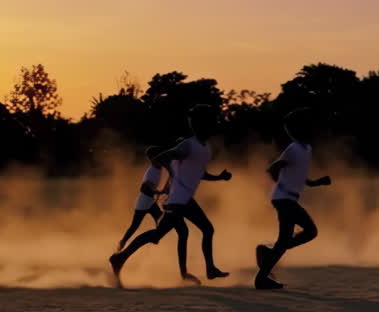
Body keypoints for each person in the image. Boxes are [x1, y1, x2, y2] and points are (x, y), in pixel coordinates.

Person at [109, 105, 232, 284]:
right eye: (207, 122)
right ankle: (208, 269)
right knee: (201, 230)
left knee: (162, 234)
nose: (212, 125)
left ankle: (120, 258)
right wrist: (171, 173)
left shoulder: (205, 147)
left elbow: (200, 173)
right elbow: (161, 157)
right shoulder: (188, 145)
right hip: (178, 201)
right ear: (199, 124)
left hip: (184, 199)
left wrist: (219, 177)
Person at [255, 109, 333, 290]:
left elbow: (299, 175)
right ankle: (262, 276)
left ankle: (267, 253)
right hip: (284, 200)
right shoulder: (294, 148)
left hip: (288, 199)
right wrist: (282, 188)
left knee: (302, 234)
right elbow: (272, 169)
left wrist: (316, 183)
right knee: (306, 232)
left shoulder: (306, 149)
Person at [117, 146, 172, 251]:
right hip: (143, 203)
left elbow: (163, 185)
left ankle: (155, 240)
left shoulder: (160, 169)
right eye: (157, 157)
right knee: (135, 225)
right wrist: (159, 192)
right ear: (152, 158)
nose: (160, 159)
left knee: (161, 221)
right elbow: (144, 189)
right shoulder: (151, 172)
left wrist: (166, 191)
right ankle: (122, 243)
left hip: (151, 202)